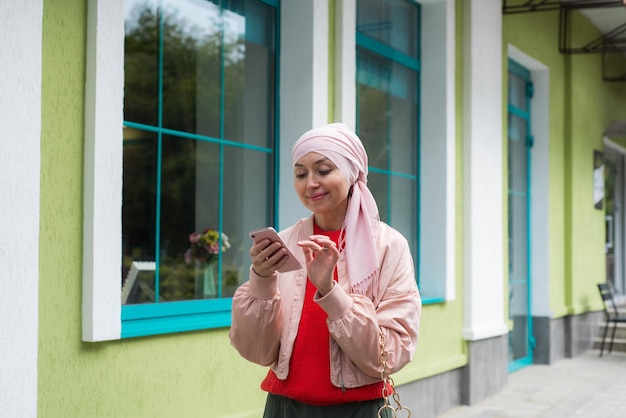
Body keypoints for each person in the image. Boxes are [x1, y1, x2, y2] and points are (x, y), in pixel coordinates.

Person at [229, 123, 421, 417]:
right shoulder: (286, 242)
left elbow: (392, 352)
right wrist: (262, 280)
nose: (311, 184)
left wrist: (331, 292)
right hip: (286, 408)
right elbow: (256, 350)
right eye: (301, 174)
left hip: (360, 409)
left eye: (323, 170)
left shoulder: (388, 246)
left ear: (350, 171)